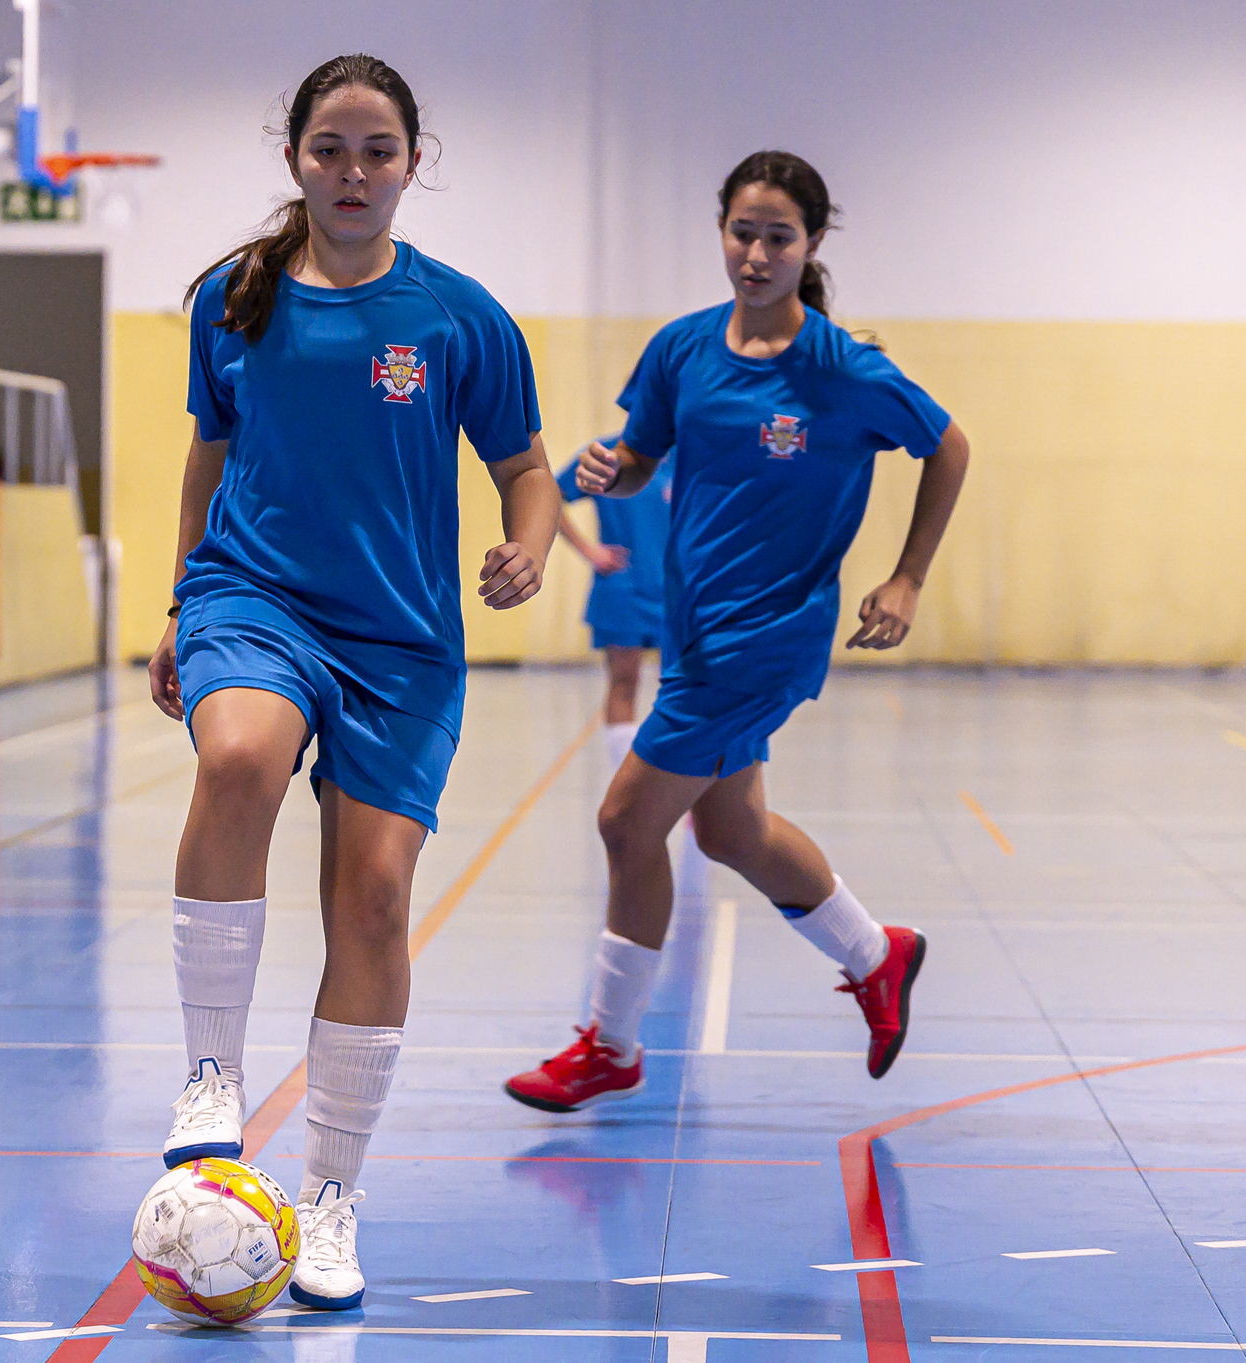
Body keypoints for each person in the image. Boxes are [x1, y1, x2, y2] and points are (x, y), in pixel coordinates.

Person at [147, 55, 558, 1310]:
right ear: (294, 160)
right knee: (237, 757)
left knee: (372, 900)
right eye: (329, 148)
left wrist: (529, 543)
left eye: (376, 151)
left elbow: (525, 467)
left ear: (412, 164)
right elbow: (206, 456)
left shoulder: (459, 317)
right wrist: (178, 602)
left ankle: (329, 1199)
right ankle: (210, 1074)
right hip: (252, 596)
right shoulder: (236, 297)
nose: (352, 172)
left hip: (400, 640)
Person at [504, 150, 970, 1113]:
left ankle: (611, 1043)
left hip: (768, 639)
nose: (757, 254)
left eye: (779, 237)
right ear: (721, 232)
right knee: (731, 828)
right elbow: (641, 458)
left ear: (811, 245)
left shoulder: (843, 371)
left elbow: (948, 445)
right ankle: (879, 957)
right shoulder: (682, 350)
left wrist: (908, 576)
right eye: (742, 233)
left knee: (626, 821)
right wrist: (609, 469)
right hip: (698, 629)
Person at [553, 437, 671, 766]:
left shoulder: (691, 452)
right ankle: (626, 777)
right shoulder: (607, 454)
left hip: (679, 594)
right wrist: (590, 551)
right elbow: (550, 494)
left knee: (682, 691)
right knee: (624, 683)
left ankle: (687, 793)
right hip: (624, 590)